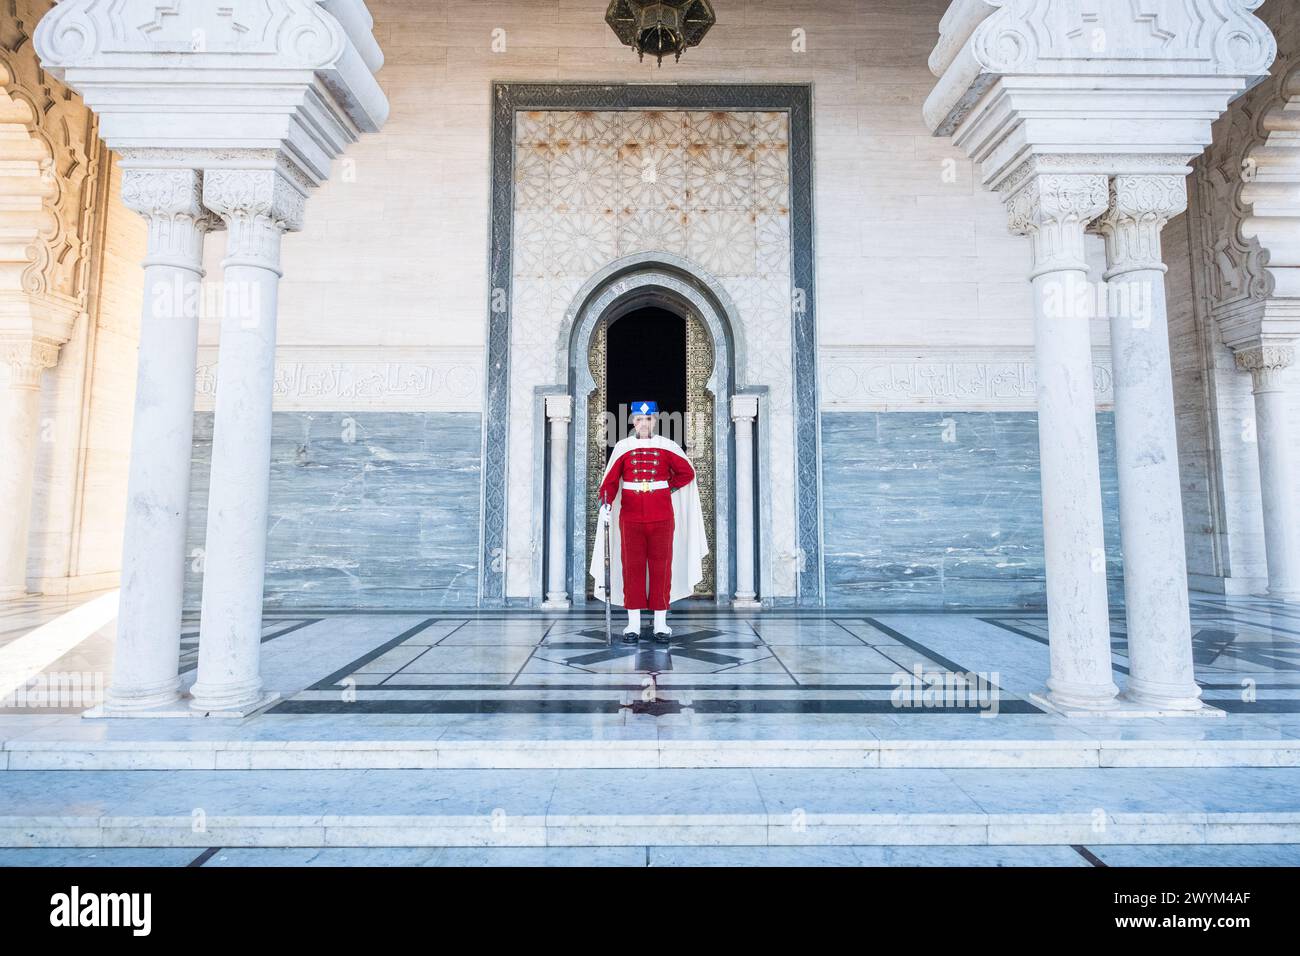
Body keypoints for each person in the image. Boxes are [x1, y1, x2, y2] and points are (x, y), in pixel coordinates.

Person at [590, 400, 708, 643]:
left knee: (661, 569)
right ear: (633, 421)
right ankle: (632, 625)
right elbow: (611, 481)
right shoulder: (623, 447)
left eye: (649, 419)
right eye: (640, 419)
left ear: (655, 420)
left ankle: (660, 625)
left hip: (662, 516)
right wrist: (606, 502)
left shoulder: (668, 446)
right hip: (631, 517)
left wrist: (667, 488)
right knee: (631, 568)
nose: (644, 423)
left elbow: (687, 473)